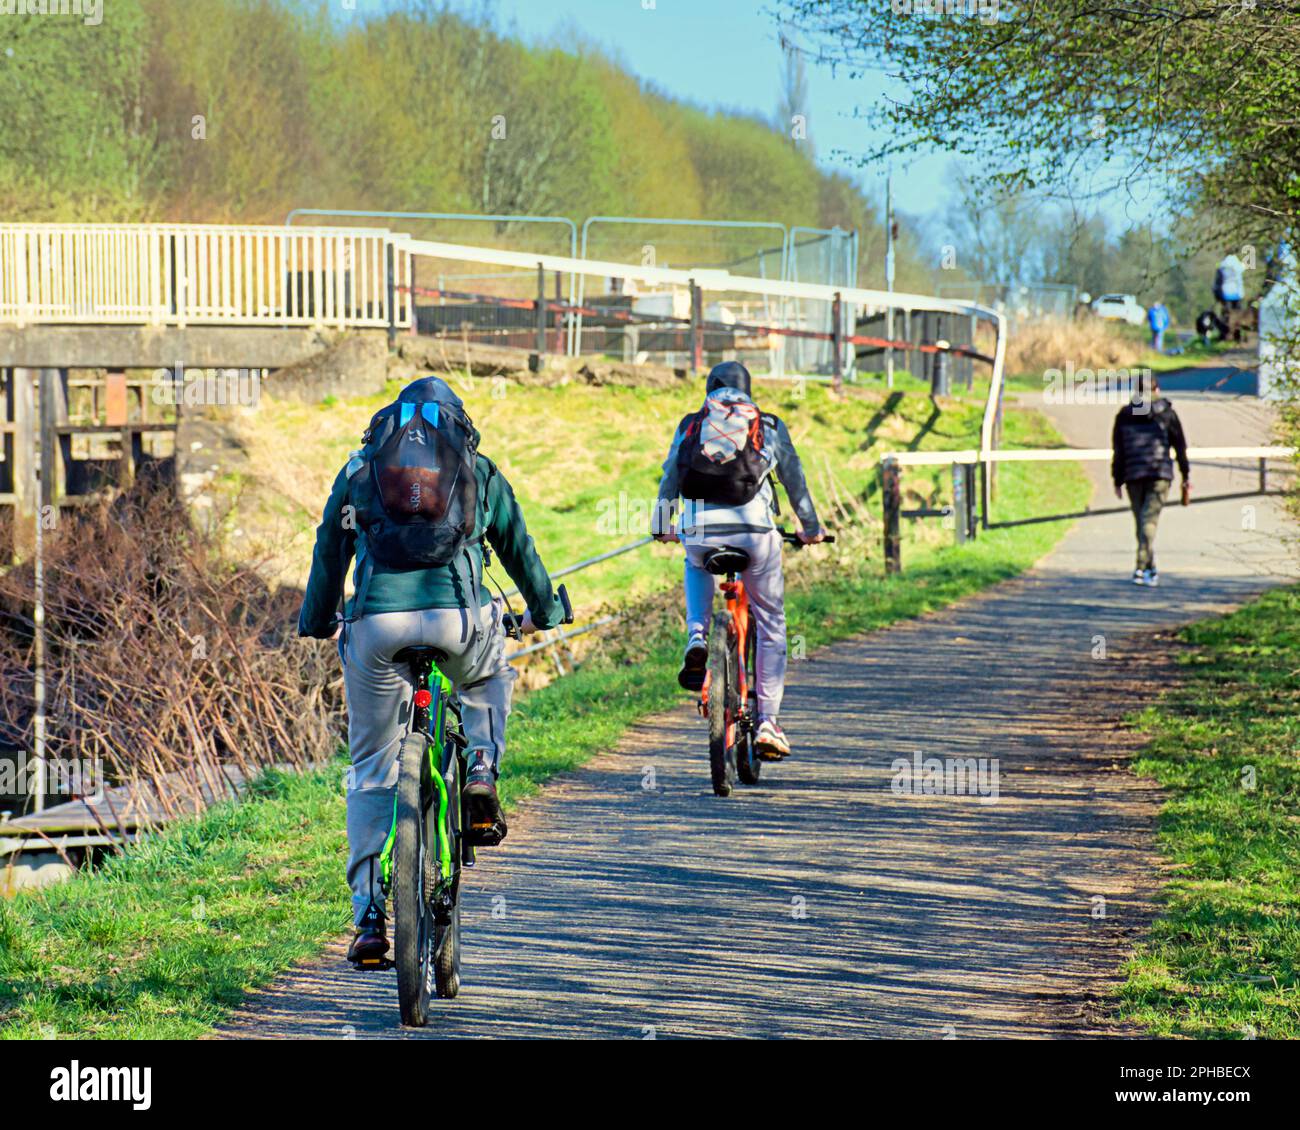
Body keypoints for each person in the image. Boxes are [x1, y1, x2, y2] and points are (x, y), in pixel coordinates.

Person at [298, 376, 564, 965]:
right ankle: (481, 767)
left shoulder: (359, 471)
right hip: (458, 623)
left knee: (371, 768)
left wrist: (318, 620)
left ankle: (369, 917)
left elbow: (328, 552)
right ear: (457, 427)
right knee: (489, 669)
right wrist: (545, 611)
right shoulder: (478, 470)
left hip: (375, 631)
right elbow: (519, 548)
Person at [650, 361, 825, 759]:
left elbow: (670, 480)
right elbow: (795, 480)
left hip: (699, 532)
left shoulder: (691, 425)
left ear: (709, 389)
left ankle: (696, 635)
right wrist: (810, 528)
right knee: (771, 623)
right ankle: (768, 722)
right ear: (749, 389)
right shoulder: (768, 425)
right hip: (755, 534)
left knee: (694, 562)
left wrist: (661, 525)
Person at [1111, 375, 1190, 587]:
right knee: (1147, 522)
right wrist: (1186, 475)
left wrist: (1117, 479)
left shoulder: (1124, 415)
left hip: (1133, 474)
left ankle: (1143, 568)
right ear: (1156, 390)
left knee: (1143, 522)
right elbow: (1180, 447)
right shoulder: (1167, 414)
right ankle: (1146, 568)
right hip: (1159, 473)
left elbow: (1119, 451)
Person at [1214, 250, 1246, 342]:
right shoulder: (1238, 264)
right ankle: (1237, 335)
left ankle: (1225, 335)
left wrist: (1217, 294)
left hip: (1226, 293)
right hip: (1237, 294)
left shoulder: (1222, 265)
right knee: (1238, 315)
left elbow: (1218, 281)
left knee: (1226, 315)